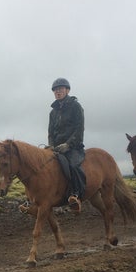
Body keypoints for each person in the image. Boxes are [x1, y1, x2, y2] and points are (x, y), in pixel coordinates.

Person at [48, 77, 86, 212]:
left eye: (61, 89)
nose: (58, 92)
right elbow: (50, 132)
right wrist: (51, 145)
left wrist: (68, 144)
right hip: (56, 148)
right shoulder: (53, 112)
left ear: (67, 90)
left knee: (73, 165)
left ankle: (76, 194)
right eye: (56, 90)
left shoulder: (76, 106)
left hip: (73, 147)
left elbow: (79, 129)